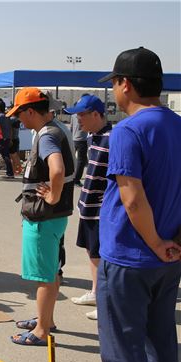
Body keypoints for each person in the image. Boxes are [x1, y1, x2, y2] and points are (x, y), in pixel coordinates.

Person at [96, 47, 181, 362]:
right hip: (169, 259)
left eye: (115, 82)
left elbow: (132, 198)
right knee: (160, 348)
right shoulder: (177, 125)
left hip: (129, 257)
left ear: (126, 84)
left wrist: (155, 242)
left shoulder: (128, 131)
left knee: (124, 355)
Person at [8, 87, 74, 346]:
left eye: (20, 114)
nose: (19, 120)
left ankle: (41, 331)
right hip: (55, 217)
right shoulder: (58, 128)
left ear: (32, 111)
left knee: (43, 277)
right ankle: (45, 319)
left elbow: (56, 169)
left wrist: (52, 197)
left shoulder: (46, 136)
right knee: (52, 270)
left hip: (43, 218)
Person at [62, 95, 111, 321]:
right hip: (88, 207)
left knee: (100, 257)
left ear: (96, 114)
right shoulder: (94, 137)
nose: (78, 120)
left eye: (82, 115)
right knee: (92, 253)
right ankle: (95, 292)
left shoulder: (112, 138)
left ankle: (106, 302)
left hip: (101, 210)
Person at [71, 94, 90, 187]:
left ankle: (70, 177)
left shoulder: (73, 115)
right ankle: (76, 180)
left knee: (71, 159)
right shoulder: (83, 113)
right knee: (80, 161)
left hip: (73, 138)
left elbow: (71, 127)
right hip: (82, 139)